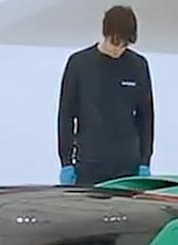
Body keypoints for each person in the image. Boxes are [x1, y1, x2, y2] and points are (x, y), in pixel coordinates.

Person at [57, 5, 154, 186]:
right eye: (115, 42)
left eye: (124, 45)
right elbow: (66, 116)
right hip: (89, 165)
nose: (118, 49)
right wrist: (66, 163)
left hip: (127, 166)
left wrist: (145, 161)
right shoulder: (79, 64)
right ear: (105, 33)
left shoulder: (138, 66)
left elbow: (146, 118)